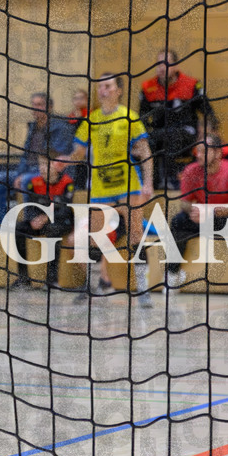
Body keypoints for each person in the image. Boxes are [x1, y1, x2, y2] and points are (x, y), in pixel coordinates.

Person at [66, 72, 154, 306]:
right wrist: (63, 160)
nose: (102, 90)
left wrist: (148, 182)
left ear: (118, 90)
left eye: (107, 86)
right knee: (95, 239)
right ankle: (94, 286)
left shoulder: (129, 117)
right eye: (99, 87)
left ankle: (143, 290)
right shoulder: (91, 120)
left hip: (128, 186)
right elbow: (78, 152)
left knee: (135, 236)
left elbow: (145, 152)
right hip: (100, 188)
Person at [164, 133, 228, 296]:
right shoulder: (191, 170)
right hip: (203, 220)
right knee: (177, 222)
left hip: (227, 219)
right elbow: (184, 203)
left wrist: (209, 211)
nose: (199, 155)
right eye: (198, 151)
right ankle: (172, 274)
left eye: (204, 151)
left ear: (218, 153)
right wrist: (194, 210)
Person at [0, 92, 76, 227]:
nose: (35, 108)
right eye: (33, 105)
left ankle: (28, 224)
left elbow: (55, 155)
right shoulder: (32, 127)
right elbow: (26, 155)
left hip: (48, 172)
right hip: (27, 170)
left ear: (49, 107)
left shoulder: (61, 127)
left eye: (39, 105)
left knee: (26, 181)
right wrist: (19, 174)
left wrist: (23, 175)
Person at [139, 49, 217, 189]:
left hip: (186, 131)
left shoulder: (192, 85)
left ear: (176, 65)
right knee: (148, 141)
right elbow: (142, 118)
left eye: (166, 63)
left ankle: (172, 180)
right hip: (160, 132)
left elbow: (209, 114)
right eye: (159, 64)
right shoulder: (147, 88)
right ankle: (153, 183)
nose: (162, 67)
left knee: (172, 136)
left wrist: (205, 135)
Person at [13, 151, 75, 289]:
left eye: (46, 164)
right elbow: (30, 206)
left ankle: (52, 280)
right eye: (40, 164)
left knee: (53, 232)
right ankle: (23, 278)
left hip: (61, 222)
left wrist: (46, 217)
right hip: (40, 222)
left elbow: (65, 210)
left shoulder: (67, 183)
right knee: (19, 229)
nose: (42, 168)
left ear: (57, 166)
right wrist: (33, 219)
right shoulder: (34, 183)